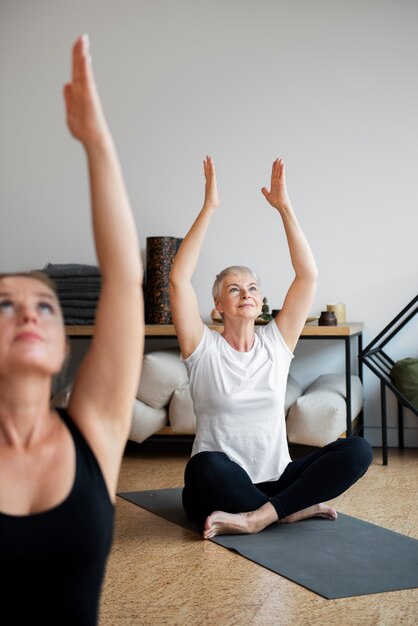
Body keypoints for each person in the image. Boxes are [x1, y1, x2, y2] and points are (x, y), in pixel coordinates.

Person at [0, 35, 143, 624]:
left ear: (65, 345)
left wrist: (97, 143)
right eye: (4, 306)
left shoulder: (96, 430)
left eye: (46, 306)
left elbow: (124, 279)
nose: (29, 312)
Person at [169, 155, 373, 540]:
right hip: (221, 484)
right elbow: (179, 280)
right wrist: (209, 207)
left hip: (276, 480)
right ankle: (288, 511)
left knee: (358, 450)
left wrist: (285, 208)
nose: (245, 294)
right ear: (218, 307)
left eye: (252, 288)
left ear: (260, 301)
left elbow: (307, 275)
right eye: (234, 289)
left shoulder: (275, 344)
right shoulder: (203, 348)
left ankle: (259, 516)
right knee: (203, 468)